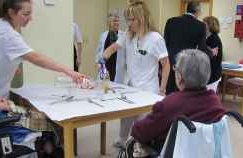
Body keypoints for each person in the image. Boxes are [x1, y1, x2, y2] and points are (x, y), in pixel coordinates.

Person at [131, 49, 226, 154]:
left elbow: (139, 132)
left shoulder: (170, 104)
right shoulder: (215, 102)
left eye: (175, 68)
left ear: (179, 77)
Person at [103, 1, 170, 147]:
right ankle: (122, 139)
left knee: (142, 123)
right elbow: (113, 48)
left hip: (148, 89)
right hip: (131, 86)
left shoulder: (155, 38)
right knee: (126, 115)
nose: (129, 23)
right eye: (127, 19)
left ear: (142, 18)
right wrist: (103, 57)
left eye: (132, 19)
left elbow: (166, 65)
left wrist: (163, 90)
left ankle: (140, 145)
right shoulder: (129, 35)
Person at [0, 0, 86, 98]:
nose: (30, 18)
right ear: (11, 13)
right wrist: (69, 72)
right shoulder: (8, 34)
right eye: (26, 14)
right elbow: (36, 58)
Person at [164, 1, 213, 95]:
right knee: (182, 93)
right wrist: (211, 53)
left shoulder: (171, 21)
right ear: (197, 11)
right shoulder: (200, 26)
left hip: (170, 62)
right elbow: (202, 47)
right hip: (185, 64)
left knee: (169, 91)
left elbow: (165, 43)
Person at [96, 11, 126, 83]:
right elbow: (99, 51)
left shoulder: (123, 36)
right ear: (109, 23)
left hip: (117, 68)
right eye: (114, 21)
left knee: (116, 89)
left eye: (118, 21)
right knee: (105, 87)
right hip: (105, 67)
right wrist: (98, 64)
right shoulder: (103, 35)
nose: (117, 23)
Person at [203, 16, 223, 93]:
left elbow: (212, 57)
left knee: (209, 95)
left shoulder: (214, 38)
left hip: (213, 72)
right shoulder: (207, 37)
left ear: (209, 25)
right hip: (208, 72)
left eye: (204, 24)